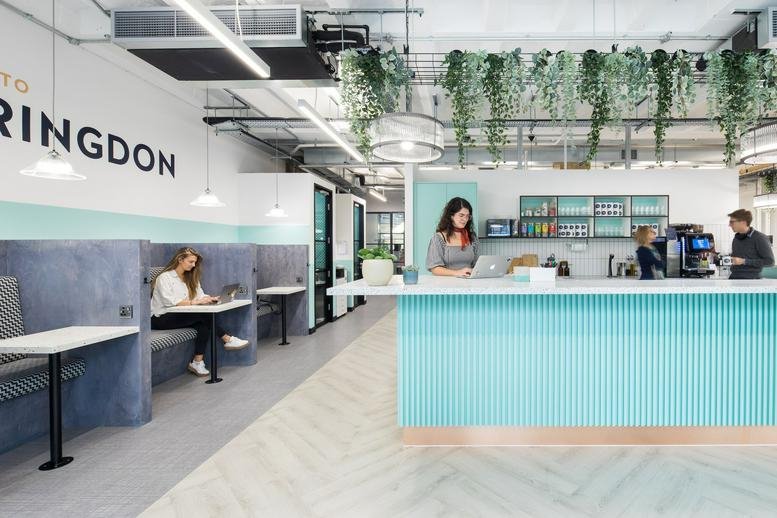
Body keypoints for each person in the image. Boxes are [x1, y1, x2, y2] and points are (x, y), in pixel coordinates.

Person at [151, 247, 249, 377]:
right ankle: (227, 338)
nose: (193, 265)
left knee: (204, 326)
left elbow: (200, 295)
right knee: (203, 315)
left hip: (182, 316)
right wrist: (194, 302)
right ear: (180, 259)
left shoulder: (190, 277)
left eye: (195, 262)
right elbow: (170, 301)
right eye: (191, 262)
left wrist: (211, 299)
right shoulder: (165, 277)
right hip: (161, 318)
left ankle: (197, 362)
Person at [426, 197, 480, 276]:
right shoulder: (438, 238)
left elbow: (477, 264)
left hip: (468, 282)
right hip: (446, 284)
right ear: (451, 216)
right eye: (461, 215)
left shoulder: (472, 237)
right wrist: (457, 273)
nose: (465, 219)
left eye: (467, 216)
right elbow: (435, 268)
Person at [727, 209, 775, 279]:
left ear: (743, 222)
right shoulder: (736, 238)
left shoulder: (760, 238)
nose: (729, 225)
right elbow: (737, 260)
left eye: (732, 222)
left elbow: (770, 262)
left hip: (751, 280)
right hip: (734, 278)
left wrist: (744, 261)